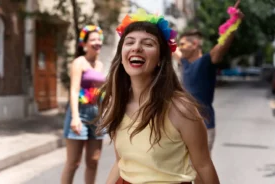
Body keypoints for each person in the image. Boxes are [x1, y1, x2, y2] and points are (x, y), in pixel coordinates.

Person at [96, 9, 219, 184]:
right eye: (129, 42)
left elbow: (204, 166)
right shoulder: (117, 103)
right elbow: (120, 162)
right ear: (121, 56)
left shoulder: (181, 109)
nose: (136, 47)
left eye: (148, 43)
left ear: (161, 58)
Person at [173, 5, 244, 152]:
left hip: (204, 127)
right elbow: (171, 48)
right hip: (184, 127)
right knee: (184, 171)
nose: (179, 47)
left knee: (200, 171)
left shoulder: (206, 61)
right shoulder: (185, 63)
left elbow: (222, 45)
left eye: (183, 44)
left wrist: (235, 22)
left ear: (195, 44)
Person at [61, 25, 105, 184]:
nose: (97, 42)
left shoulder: (100, 65)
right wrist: (75, 117)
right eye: (93, 39)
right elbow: (73, 90)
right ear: (84, 44)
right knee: (73, 163)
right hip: (80, 112)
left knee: (93, 161)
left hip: (97, 114)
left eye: (99, 39)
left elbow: (100, 91)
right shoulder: (79, 62)